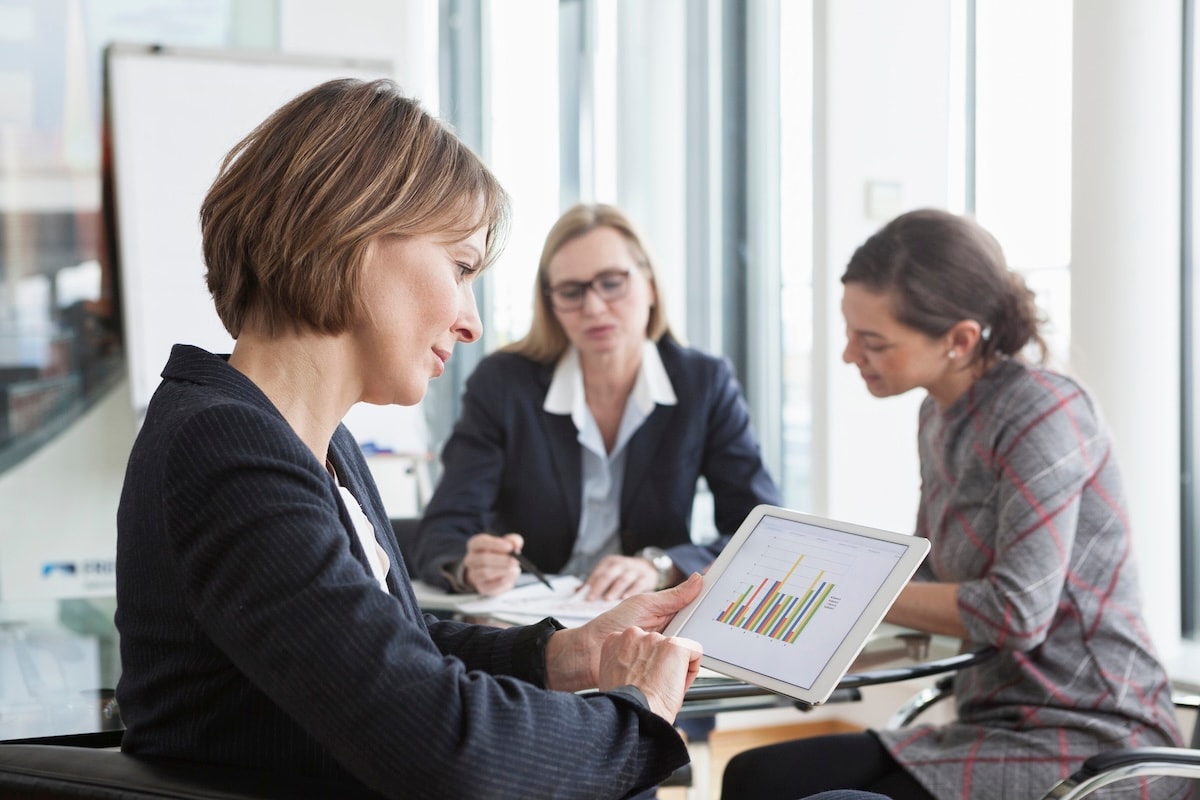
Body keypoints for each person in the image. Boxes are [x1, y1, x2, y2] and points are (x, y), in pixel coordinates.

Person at [113, 77, 710, 800]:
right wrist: (639, 716)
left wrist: (565, 654)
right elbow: (441, 745)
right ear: (349, 230)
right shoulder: (226, 447)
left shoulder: (307, 442)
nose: (471, 322)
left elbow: (391, 648)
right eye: (461, 268)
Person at [721, 209, 1188, 800]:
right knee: (754, 775)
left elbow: (1014, 614)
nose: (847, 355)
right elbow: (932, 572)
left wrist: (843, 592)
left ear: (959, 340)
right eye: (849, 332)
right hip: (990, 724)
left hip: (1092, 736)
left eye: (873, 342)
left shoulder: (1043, 412)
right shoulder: (938, 416)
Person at [411, 202, 780, 600]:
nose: (593, 307)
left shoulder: (703, 383)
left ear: (651, 285)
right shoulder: (503, 383)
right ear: (552, 305)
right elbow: (442, 532)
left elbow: (762, 531)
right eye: (571, 291)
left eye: (612, 283)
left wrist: (661, 565)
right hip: (529, 622)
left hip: (649, 616)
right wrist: (470, 566)